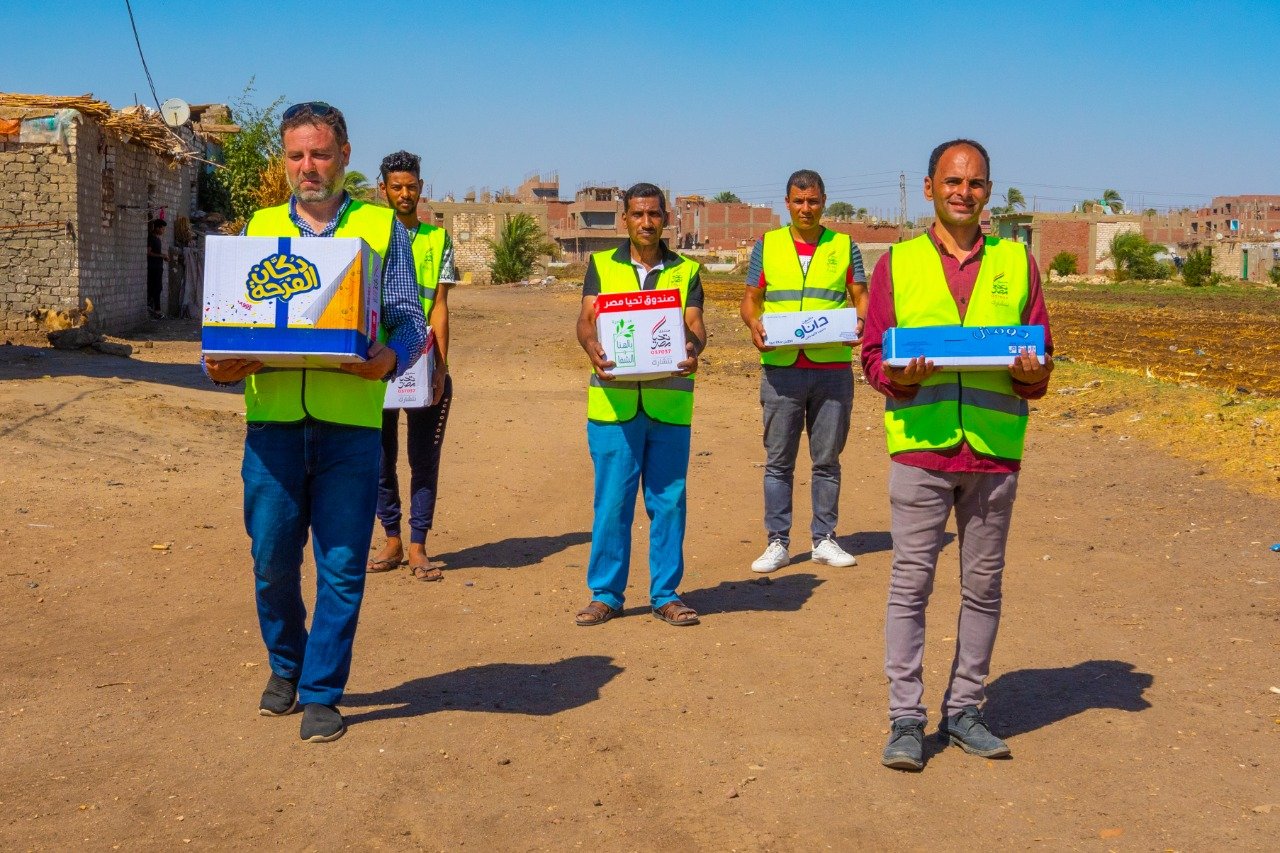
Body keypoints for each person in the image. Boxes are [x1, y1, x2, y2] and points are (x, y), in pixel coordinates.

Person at [204, 102, 427, 743]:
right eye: (297, 155)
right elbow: (233, 315)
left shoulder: (384, 227)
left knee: (340, 566)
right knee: (272, 560)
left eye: (321, 154)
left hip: (350, 426)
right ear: (285, 160)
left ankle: (323, 690)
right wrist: (218, 364)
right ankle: (285, 665)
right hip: (272, 421)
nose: (309, 167)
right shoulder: (261, 226)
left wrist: (390, 359)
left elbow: (409, 318)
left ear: (345, 156)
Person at [860, 139, 1053, 771]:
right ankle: (906, 720)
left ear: (988, 191)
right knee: (910, 585)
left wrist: (1031, 373)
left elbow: (1041, 360)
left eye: (974, 183)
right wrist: (901, 380)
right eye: (952, 181)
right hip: (921, 447)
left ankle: (966, 709)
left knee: (983, 587)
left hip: (994, 451)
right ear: (929, 188)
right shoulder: (899, 263)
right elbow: (870, 354)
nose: (963, 192)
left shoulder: (1019, 264)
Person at [573, 182, 706, 627]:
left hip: (668, 406)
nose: (646, 222)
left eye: (654, 214)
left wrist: (692, 346)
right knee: (612, 502)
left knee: (668, 502)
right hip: (614, 406)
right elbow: (586, 320)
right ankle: (606, 594)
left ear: (666, 218)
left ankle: (666, 594)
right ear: (625, 218)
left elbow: (694, 324)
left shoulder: (685, 270)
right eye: (637, 214)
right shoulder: (601, 265)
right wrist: (590, 343)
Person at [739, 170, 868, 574]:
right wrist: (754, 325)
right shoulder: (768, 245)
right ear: (787, 202)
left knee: (826, 460)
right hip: (781, 370)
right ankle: (777, 542)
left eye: (813, 201)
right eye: (799, 201)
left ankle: (824, 539)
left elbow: (861, 296)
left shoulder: (844, 246)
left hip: (831, 370)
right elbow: (751, 299)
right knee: (779, 461)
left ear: (824, 201)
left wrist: (861, 323)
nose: (806, 208)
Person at [366, 150, 458, 582]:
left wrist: (439, 365)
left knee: (423, 458)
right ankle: (392, 540)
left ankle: (418, 543)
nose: (404, 194)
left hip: (421, 364)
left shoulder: (437, 240)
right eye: (396, 186)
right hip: (374, 364)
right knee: (379, 459)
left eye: (412, 186)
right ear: (382, 189)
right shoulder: (367, 235)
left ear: (421, 188)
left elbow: (439, 306)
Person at [146, 218, 167, 319]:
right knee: (155, 288)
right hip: (153, 268)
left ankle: (154, 309)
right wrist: (161, 256)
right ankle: (156, 310)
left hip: (158, 267)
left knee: (158, 288)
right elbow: (148, 253)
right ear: (157, 228)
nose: (163, 231)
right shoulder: (151, 238)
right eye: (162, 229)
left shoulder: (157, 239)